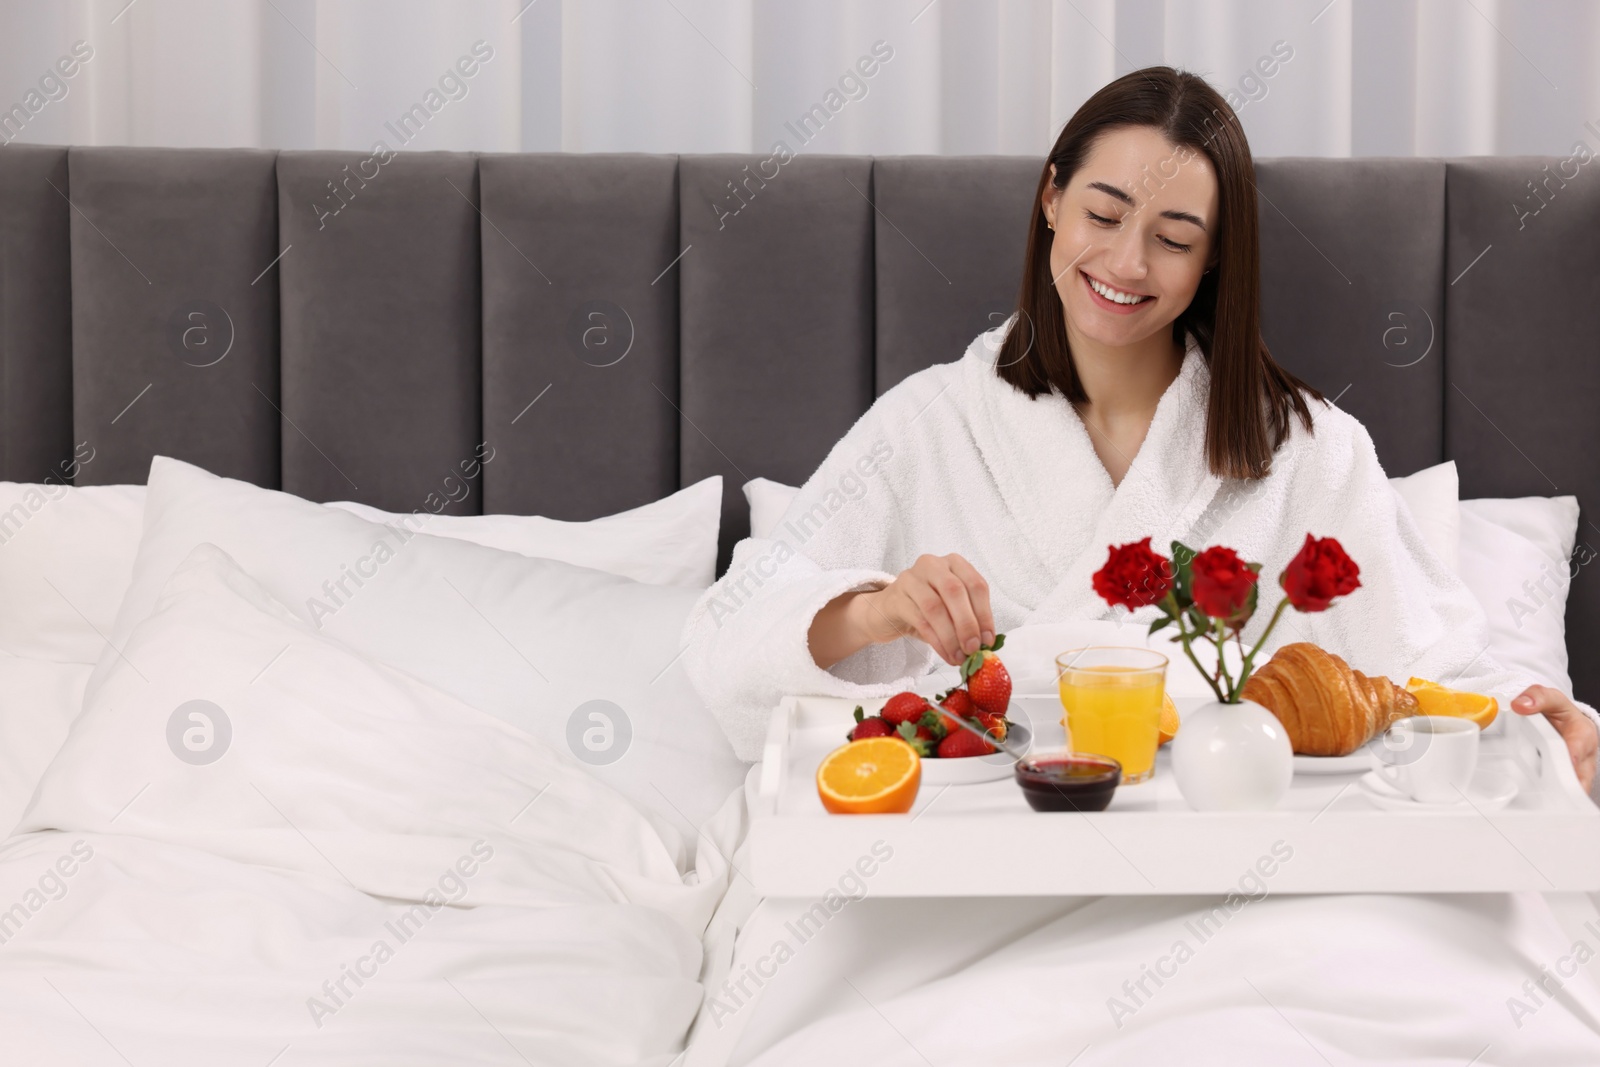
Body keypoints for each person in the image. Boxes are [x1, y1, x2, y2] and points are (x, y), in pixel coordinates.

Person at [680, 65, 1599, 788]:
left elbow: (1419, 673)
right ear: (1051, 202)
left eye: (1173, 236)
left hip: (1236, 839)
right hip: (989, 845)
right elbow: (728, 648)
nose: (1126, 261)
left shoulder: (1309, 452)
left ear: (1212, 261)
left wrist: (1536, 719)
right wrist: (875, 605)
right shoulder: (930, 424)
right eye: (1103, 214)